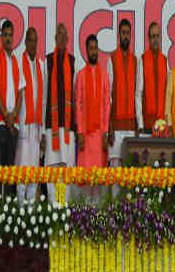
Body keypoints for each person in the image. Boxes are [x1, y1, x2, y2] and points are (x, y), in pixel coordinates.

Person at [75, 34, 110, 199]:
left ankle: (97, 210)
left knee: (98, 177)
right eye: (91, 48)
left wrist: (105, 132)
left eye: (96, 48)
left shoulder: (104, 74)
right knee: (86, 175)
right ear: (86, 51)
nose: (94, 51)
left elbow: (107, 105)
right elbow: (78, 105)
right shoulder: (81, 75)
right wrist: (80, 132)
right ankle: (86, 210)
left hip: (99, 134)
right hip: (86, 135)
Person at [0, 20, 26, 197]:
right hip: (0, 122)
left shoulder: (16, 60)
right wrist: (6, 116)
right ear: (1, 37)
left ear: (13, 37)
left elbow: (21, 91)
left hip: (14, 123)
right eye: (5, 35)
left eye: (10, 35)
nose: (8, 38)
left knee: (11, 168)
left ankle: (8, 206)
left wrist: (13, 116)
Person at [44, 23, 76, 203]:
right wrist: (43, 128)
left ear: (68, 39)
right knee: (52, 168)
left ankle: (62, 206)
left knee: (65, 169)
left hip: (67, 127)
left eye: (65, 36)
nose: (62, 38)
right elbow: (44, 96)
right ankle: (52, 206)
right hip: (52, 126)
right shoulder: (48, 61)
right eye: (59, 35)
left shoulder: (72, 61)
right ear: (55, 38)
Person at [107, 19, 138, 196]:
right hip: (116, 126)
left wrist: (137, 126)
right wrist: (109, 126)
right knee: (115, 171)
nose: (126, 36)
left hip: (131, 126)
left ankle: (128, 209)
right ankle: (114, 208)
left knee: (129, 173)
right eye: (123, 33)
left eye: (128, 33)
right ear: (119, 35)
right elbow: (108, 97)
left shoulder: (135, 60)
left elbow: (137, 95)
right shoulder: (111, 58)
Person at [16, 28, 45, 202]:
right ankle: (20, 207)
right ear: (26, 42)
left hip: (36, 127)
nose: (33, 44)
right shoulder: (19, 63)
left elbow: (44, 99)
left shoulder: (41, 65)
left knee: (34, 170)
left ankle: (31, 207)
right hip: (23, 125)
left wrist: (43, 131)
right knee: (22, 170)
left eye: (36, 40)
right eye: (30, 40)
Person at [139, 22, 167, 133]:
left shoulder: (165, 61)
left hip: (161, 123)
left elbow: (167, 94)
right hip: (146, 122)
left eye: (157, 36)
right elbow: (138, 94)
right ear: (148, 38)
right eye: (153, 36)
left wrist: (167, 122)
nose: (155, 39)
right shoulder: (142, 60)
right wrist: (140, 124)